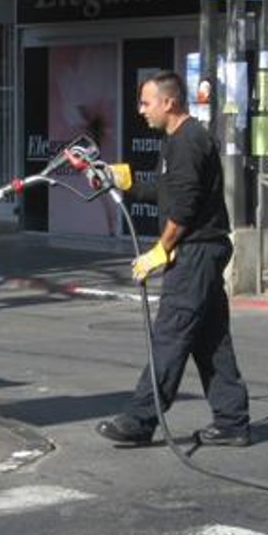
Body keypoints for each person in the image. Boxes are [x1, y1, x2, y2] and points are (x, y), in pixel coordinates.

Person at [96, 70, 252, 448]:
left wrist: (161, 249)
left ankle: (140, 418)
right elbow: (167, 193)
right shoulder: (175, 142)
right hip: (204, 248)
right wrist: (125, 181)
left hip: (196, 250)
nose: (140, 111)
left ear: (169, 102)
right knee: (211, 338)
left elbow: (183, 209)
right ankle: (232, 422)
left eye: (146, 103)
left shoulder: (187, 142)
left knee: (170, 334)